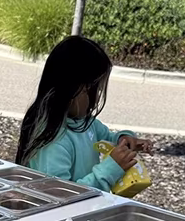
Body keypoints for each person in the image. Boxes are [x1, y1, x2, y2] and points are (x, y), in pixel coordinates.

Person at [15, 35, 151, 191]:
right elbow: (58, 195)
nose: (98, 96)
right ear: (71, 89)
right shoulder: (53, 141)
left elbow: (107, 138)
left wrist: (124, 139)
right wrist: (109, 170)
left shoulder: (85, 123)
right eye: (94, 90)